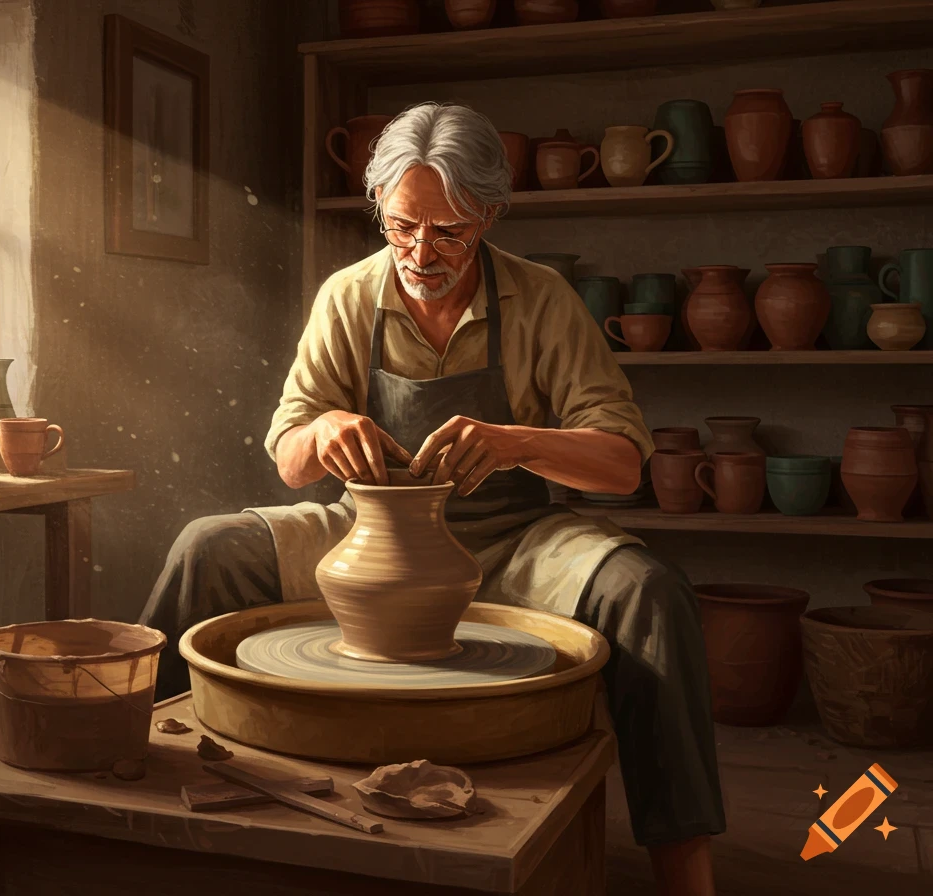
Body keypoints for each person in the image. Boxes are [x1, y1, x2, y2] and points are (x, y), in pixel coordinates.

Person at [140, 101, 724, 895]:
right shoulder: (349, 296)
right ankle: (125, 776)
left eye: (448, 231)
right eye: (401, 225)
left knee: (650, 592)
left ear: (490, 214)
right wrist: (326, 428)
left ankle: (685, 866)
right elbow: (289, 458)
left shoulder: (543, 299)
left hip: (517, 541)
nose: (420, 252)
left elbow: (623, 465)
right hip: (364, 532)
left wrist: (517, 441)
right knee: (206, 547)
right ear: (379, 204)